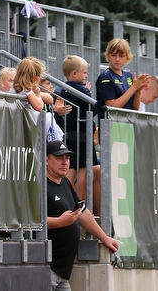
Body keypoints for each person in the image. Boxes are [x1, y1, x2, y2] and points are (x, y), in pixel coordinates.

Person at [46, 140, 118, 290]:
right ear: (46, 160)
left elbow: (82, 213)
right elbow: (31, 221)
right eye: (59, 158)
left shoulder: (65, 183)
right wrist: (60, 222)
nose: (64, 162)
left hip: (63, 272)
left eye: (67, 158)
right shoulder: (40, 185)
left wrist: (105, 238)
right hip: (46, 268)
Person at [59, 55, 100, 216]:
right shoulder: (81, 89)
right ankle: (78, 202)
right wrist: (88, 91)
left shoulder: (64, 88)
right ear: (74, 74)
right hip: (82, 136)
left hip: (70, 134)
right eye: (85, 72)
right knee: (83, 169)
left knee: (72, 169)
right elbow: (95, 108)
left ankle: (65, 198)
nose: (87, 75)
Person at [95, 38, 150, 119]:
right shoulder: (105, 77)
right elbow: (112, 106)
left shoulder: (129, 76)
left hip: (128, 124)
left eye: (121, 56)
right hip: (110, 125)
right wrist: (134, 88)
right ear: (108, 56)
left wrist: (138, 91)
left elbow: (135, 108)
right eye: (114, 55)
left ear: (127, 57)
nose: (117, 59)